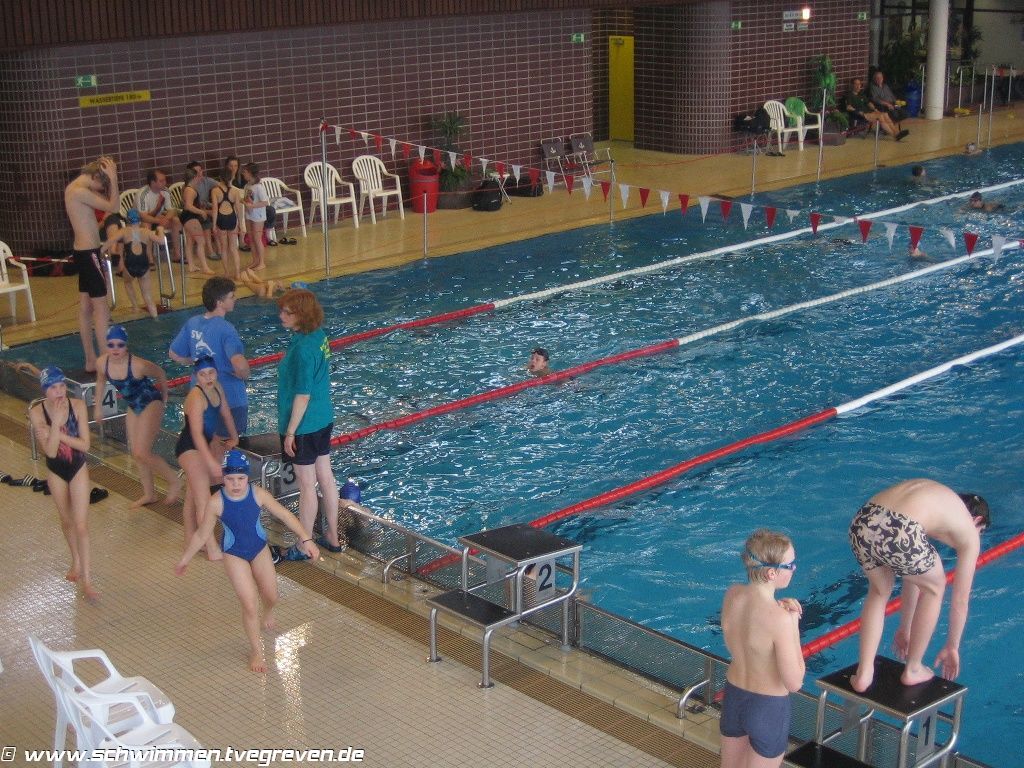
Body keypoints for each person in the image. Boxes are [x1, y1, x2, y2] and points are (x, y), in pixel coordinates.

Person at [175, 449, 319, 673]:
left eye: (241, 479)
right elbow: (203, 534)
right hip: (234, 554)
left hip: (259, 549)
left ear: (247, 477)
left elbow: (285, 515)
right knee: (249, 604)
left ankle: (268, 611)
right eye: (230, 479)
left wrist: (306, 539)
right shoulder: (216, 502)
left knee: (271, 596)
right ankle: (256, 651)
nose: (236, 484)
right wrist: (185, 559)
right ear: (223, 478)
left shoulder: (258, 494)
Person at [848, 479, 989, 692]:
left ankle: (864, 674)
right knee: (935, 587)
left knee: (879, 591)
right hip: (901, 526)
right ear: (977, 520)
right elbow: (960, 599)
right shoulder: (969, 532)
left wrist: (905, 628)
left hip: (863, 520)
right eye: (981, 531)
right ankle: (913, 668)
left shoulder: (940, 504)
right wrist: (952, 646)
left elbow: (912, 576)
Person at [719, 530, 804, 768]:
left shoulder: (733, 594)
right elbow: (794, 682)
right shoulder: (780, 619)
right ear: (771, 573)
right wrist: (793, 625)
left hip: (734, 697)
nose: (794, 569)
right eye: (790, 565)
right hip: (768, 708)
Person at [276, 288, 345, 557]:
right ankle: (332, 536)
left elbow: (302, 395)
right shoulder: (318, 335)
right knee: (325, 477)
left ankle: (304, 544)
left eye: (287, 313)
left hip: (304, 426)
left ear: (301, 315)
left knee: (306, 485)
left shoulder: (303, 350)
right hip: (323, 417)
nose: (281, 316)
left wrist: (290, 432)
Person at [28, 367, 99, 601]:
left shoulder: (77, 406)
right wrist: (56, 423)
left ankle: (87, 580)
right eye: (53, 388)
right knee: (66, 521)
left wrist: (55, 430)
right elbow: (49, 451)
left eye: (62, 386)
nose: (59, 392)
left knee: (81, 525)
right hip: (56, 471)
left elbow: (85, 445)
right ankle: (75, 559)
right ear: (45, 391)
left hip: (78, 467)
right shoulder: (37, 412)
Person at [93, 325, 182, 507]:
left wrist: (165, 395)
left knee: (142, 452)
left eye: (120, 345)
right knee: (136, 453)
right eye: (111, 345)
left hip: (151, 402)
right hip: (133, 405)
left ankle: (174, 481)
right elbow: (100, 381)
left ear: (126, 346)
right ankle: (150, 494)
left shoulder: (138, 365)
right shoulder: (102, 363)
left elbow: (160, 373)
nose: (115, 349)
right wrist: (98, 408)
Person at [169, 276, 250, 436]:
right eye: (231, 296)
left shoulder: (193, 323)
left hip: (199, 397)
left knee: (203, 442)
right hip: (230, 399)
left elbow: (174, 354)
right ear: (220, 302)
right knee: (230, 446)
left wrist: (196, 361)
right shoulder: (226, 329)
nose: (235, 299)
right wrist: (245, 375)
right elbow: (240, 364)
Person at [175, 355, 237, 559]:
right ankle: (212, 549)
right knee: (204, 502)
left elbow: (226, 413)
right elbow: (195, 434)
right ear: (196, 376)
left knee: (192, 497)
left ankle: (190, 540)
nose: (208, 377)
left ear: (216, 372)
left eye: (211, 373)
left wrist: (234, 437)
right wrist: (210, 461)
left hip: (201, 447)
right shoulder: (196, 397)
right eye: (203, 374)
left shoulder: (217, 388)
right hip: (190, 449)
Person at [64, 156, 119, 372]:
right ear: (96, 176)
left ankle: (90, 360)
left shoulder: (73, 188)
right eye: (101, 184)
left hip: (83, 252)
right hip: (89, 254)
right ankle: (106, 360)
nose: (101, 190)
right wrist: (113, 179)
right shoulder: (80, 191)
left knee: (86, 308)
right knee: (101, 308)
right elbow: (114, 206)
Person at [104, 208, 162, 318]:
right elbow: (161, 241)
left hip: (130, 264)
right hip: (144, 264)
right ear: (139, 221)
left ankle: (135, 306)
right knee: (148, 296)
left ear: (127, 221)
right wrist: (161, 229)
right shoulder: (146, 231)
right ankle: (156, 318)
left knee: (127, 282)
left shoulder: (124, 231)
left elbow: (110, 241)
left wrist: (100, 252)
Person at [137, 168, 184, 264]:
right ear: (153, 182)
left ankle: (177, 254)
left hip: (159, 219)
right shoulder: (142, 194)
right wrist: (159, 221)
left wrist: (165, 219)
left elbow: (172, 210)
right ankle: (150, 258)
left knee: (176, 221)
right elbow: (143, 216)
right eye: (161, 181)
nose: (165, 183)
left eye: (165, 180)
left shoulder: (165, 191)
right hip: (140, 222)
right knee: (146, 225)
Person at [211, 169, 244, 279]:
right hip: (231, 218)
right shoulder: (235, 191)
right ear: (232, 177)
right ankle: (238, 273)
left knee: (224, 248)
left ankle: (226, 273)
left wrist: (214, 225)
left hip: (221, 219)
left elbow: (215, 209)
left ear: (220, 178)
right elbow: (239, 209)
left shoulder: (215, 191)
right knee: (233, 248)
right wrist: (241, 224)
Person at [180, 166, 213, 273]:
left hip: (188, 217)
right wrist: (201, 212)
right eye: (198, 177)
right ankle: (205, 267)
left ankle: (191, 266)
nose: (200, 179)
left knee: (190, 241)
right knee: (201, 241)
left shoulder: (187, 188)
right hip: (190, 217)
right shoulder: (190, 190)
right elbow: (188, 206)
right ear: (194, 178)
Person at [241, 163, 271, 271]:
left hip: (258, 215)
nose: (243, 174)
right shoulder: (247, 186)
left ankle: (262, 262)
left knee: (257, 239)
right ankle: (255, 260)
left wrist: (252, 206)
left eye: (245, 172)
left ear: (250, 173)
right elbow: (248, 199)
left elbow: (265, 202)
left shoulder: (259, 187)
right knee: (251, 239)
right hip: (249, 214)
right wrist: (243, 201)